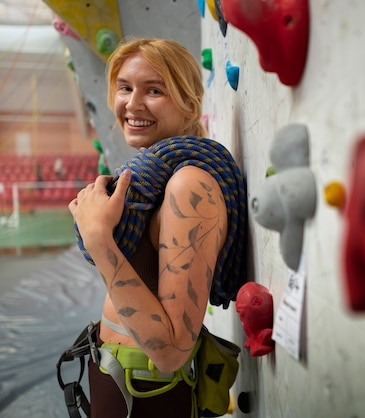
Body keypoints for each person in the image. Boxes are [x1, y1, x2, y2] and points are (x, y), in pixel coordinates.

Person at [68, 38, 246, 418]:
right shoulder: (152, 185)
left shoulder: (190, 186)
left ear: (189, 102)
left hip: (148, 393)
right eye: (125, 88)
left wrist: (98, 238)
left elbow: (170, 353)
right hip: (118, 376)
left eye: (154, 90)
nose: (133, 104)